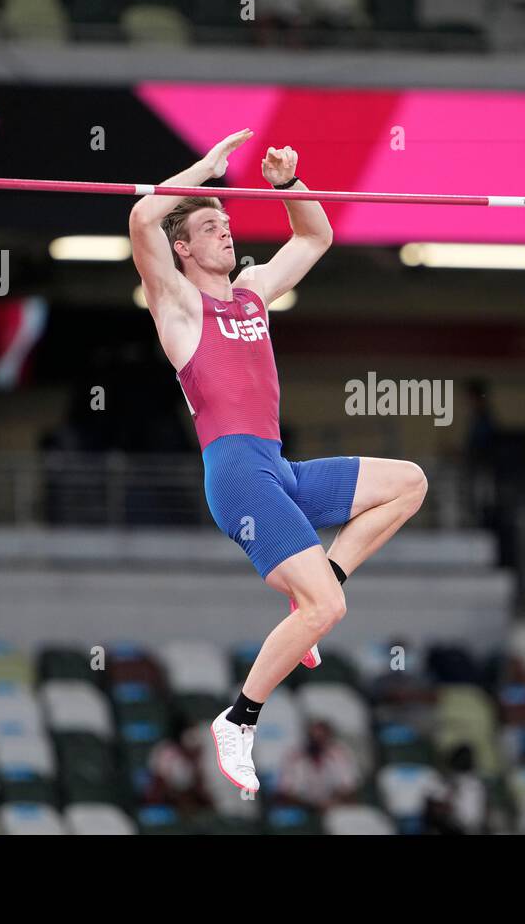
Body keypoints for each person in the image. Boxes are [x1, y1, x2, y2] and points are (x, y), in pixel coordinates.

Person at [128, 130, 428, 795]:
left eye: (227, 224)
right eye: (211, 227)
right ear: (184, 249)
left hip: (278, 469)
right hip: (237, 475)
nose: (226, 234)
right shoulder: (178, 305)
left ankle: (322, 581)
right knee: (325, 612)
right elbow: (141, 216)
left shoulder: (254, 291)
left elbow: (315, 237)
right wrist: (204, 173)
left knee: (408, 484)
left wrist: (289, 185)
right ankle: (240, 718)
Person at [274, 721, 361, 810]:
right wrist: (313, 806)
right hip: (302, 808)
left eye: (320, 738)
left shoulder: (340, 754)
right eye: (313, 737)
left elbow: (348, 787)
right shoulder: (293, 756)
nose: (316, 742)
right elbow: (286, 792)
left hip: (335, 806)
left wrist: (331, 802)